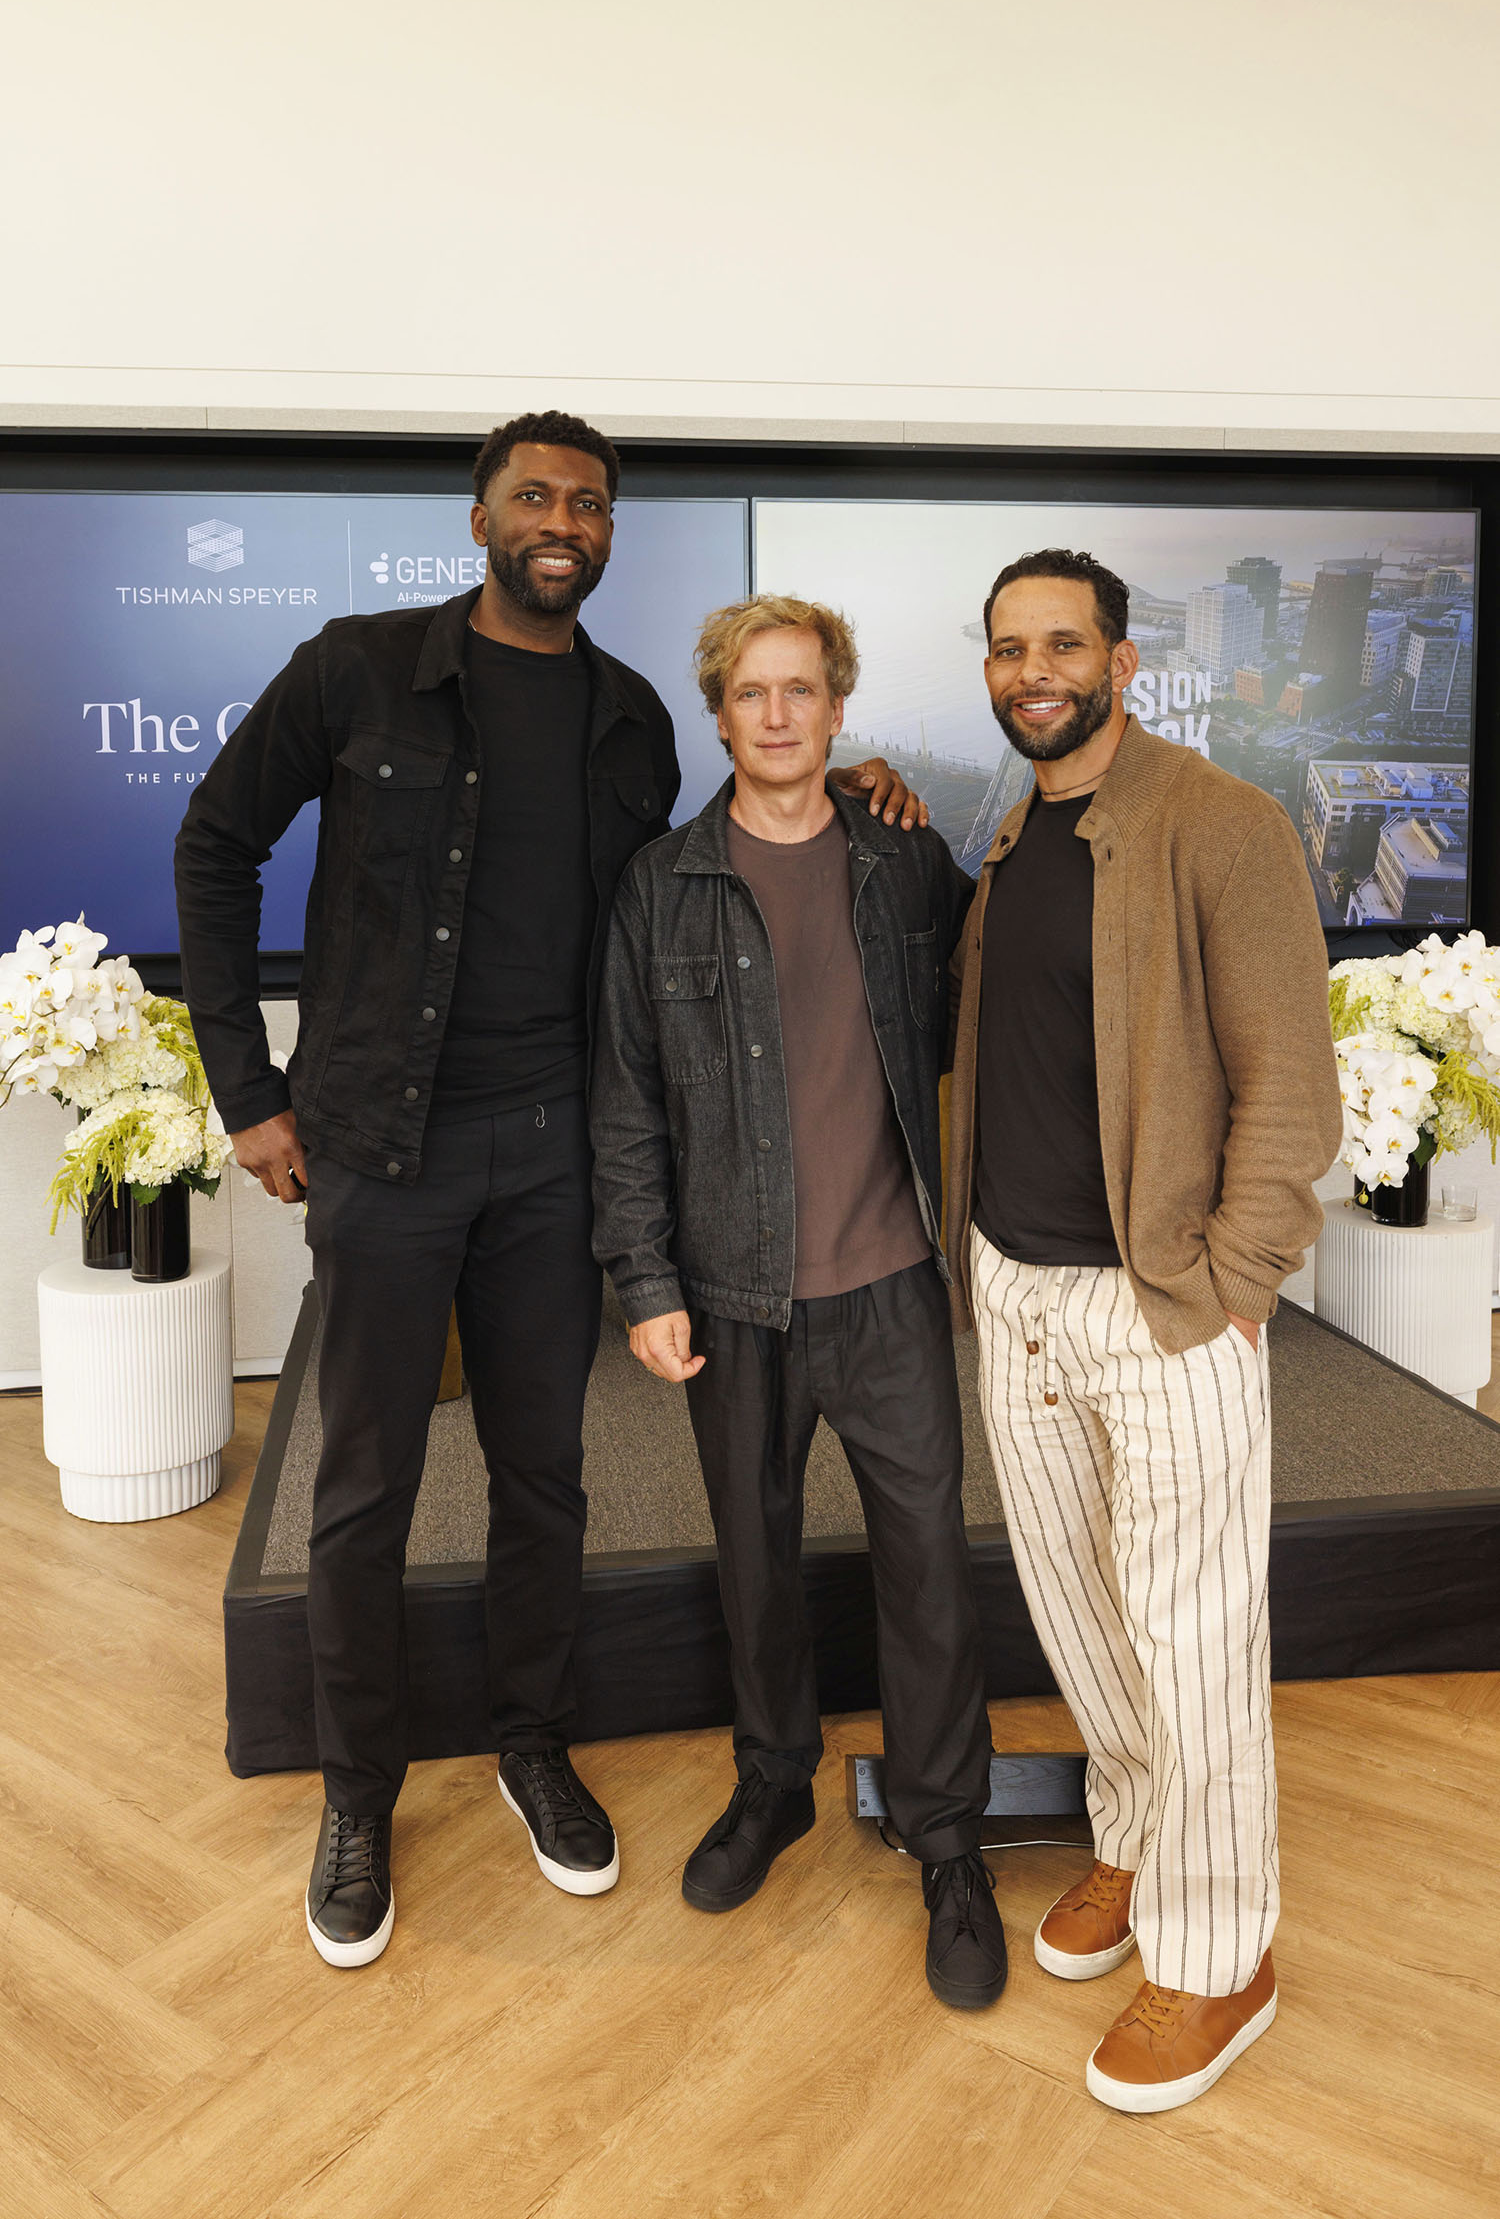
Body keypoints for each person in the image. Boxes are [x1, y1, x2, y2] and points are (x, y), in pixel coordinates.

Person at [173, 413, 923, 1969]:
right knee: (363, 1490)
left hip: (550, 1156)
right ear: (480, 519)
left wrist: (834, 779)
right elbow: (215, 843)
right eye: (535, 495)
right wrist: (248, 1088)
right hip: (380, 1146)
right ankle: (359, 1795)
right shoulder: (357, 669)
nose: (561, 518)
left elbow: (686, 908)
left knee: (546, 1477)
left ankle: (531, 1743)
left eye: (588, 501)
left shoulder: (636, 721)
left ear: (605, 531)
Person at [946, 547, 1341, 2106]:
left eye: (1062, 644)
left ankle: (1217, 1946)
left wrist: (1236, 1282)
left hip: (1163, 1304)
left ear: (1119, 658)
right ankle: (1133, 1840)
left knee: (1194, 1638)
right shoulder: (1012, 831)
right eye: (1007, 648)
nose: (1033, 670)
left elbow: (1289, 1087)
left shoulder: (1221, 823)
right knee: (1086, 1617)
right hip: (1018, 1294)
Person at [590, 595, 1008, 2011]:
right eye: (752, 693)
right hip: (733, 1292)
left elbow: (987, 1008)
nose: (777, 714)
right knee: (757, 1564)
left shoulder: (906, 866)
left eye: (803, 691)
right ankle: (774, 1784)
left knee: (929, 1577)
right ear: (720, 715)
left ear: (840, 714)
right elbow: (628, 1100)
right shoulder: (663, 885)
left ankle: (951, 1842)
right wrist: (644, 1281)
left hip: (891, 1283)